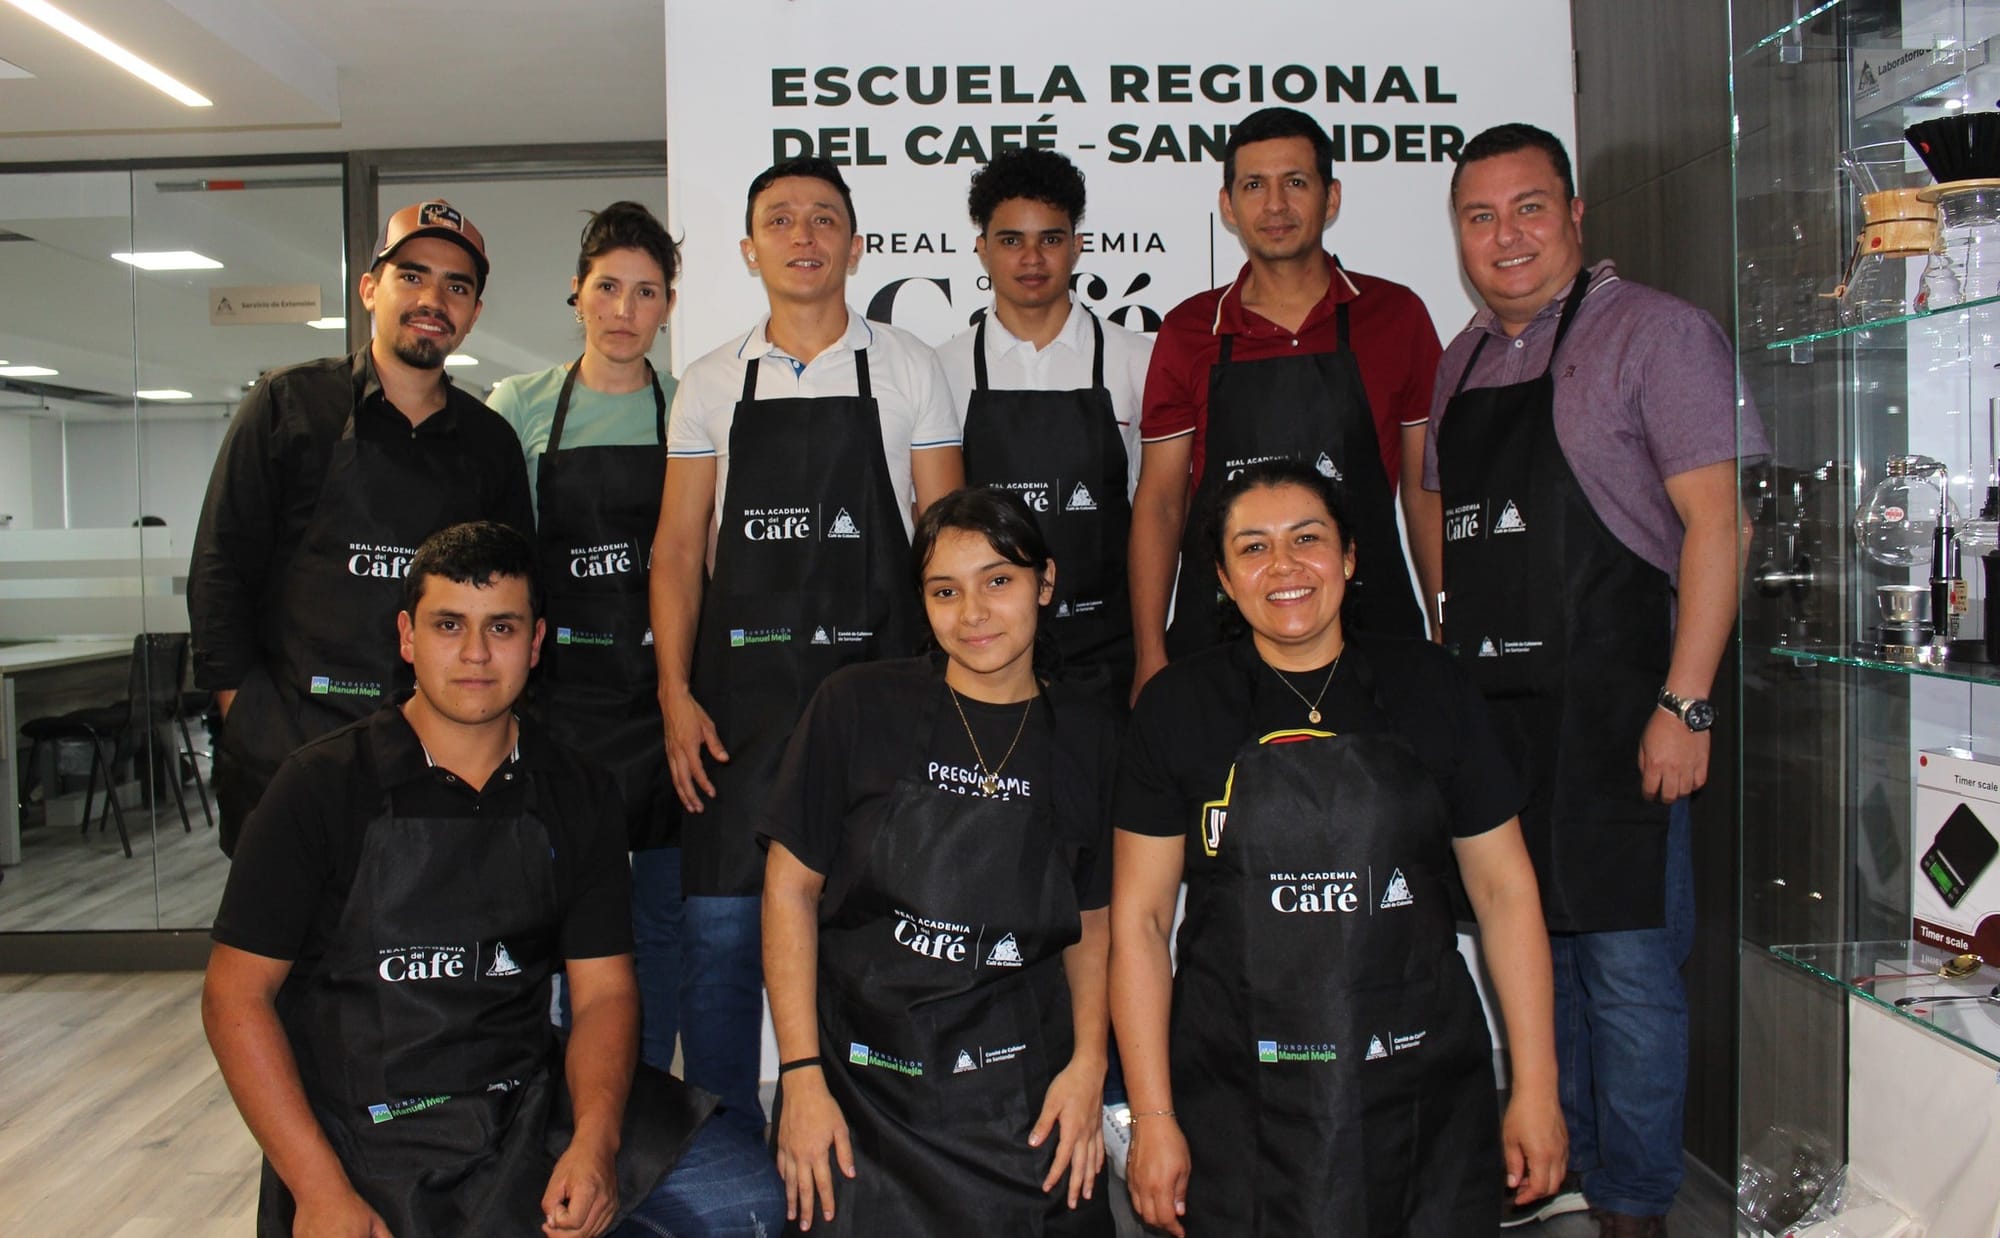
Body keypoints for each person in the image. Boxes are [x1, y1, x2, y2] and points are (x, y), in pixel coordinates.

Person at [201, 521, 783, 1238]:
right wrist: (319, 1190)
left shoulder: (576, 789)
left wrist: (594, 1147)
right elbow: (235, 997)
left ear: (535, 644)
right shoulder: (319, 787)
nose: (476, 654)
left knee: (745, 1202)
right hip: (371, 1129)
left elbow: (602, 994)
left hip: (524, 1107)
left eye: (501, 627)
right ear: (408, 638)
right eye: (449, 625)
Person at [1422, 124, 1766, 1237]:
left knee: (1622, 967)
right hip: (1495, 720)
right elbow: (1445, 528)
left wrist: (1687, 700)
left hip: (1625, 711)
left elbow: (1718, 526)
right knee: (1530, 954)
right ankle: (1551, 1166)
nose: (1503, 235)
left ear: (1574, 216)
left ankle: (1631, 1203)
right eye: (1479, 216)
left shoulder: (1655, 334)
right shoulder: (1461, 357)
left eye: (1527, 208)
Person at [1111, 460, 1565, 1236]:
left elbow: (1504, 891)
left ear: (1352, 558)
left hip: (1420, 1087)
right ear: (1221, 577)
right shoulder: (1178, 708)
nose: (1283, 567)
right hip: (1239, 1093)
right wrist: (1153, 1115)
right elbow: (1142, 924)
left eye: (1307, 539)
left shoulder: (1432, 686)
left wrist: (1537, 1086)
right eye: (1252, 548)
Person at [652, 156, 964, 1138]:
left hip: (878, 704)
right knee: (716, 941)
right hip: (736, 711)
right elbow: (674, 547)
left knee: (879, 938)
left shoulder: (910, 367)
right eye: (778, 219)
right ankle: (718, 1161)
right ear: (748, 250)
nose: (802, 233)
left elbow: (946, 534)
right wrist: (671, 689)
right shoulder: (707, 382)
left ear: (854, 244)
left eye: (822, 217)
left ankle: (882, 1154)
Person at [761, 487, 1115, 1236]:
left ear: (1045, 584)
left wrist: (1088, 1069)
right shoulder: (856, 706)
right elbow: (789, 893)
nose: (974, 613)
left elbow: (1093, 920)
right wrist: (800, 1078)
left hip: (1022, 1103)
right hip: (862, 1100)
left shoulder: (1089, 733)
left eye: (999, 581)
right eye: (945, 591)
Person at [189, 199, 533, 855]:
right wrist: (249, 719)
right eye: (413, 275)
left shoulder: (489, 442)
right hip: (292, 746)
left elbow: (514, 595)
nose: (434, 297)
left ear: (473, 315)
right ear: (370, 288)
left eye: (457, 286)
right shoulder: (287, 405)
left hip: (437, 754)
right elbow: (220, 570)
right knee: (287, 950)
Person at [1128, 107, 1444, 704]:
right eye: (1254, 186)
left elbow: (1426, 489)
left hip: (1371, 629)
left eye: (1295, 182)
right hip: (1219, 638)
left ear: (1331, 199)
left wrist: (1442, 617)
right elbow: (1162, 501)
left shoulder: (1396, 315)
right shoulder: (1189, 329)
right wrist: (1151, 651)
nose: (1275, 205)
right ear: (1228, 205)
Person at [489, 201, 684, 1075]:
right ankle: (569, 1104)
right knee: (565, 914)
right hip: (561, 707)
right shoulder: (520, 407)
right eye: (608, 287)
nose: (623, 310)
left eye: (646, 293)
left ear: (668, 307)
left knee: (664, 922)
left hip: (664, 707)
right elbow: (498, 569)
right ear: (577, 294)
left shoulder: (688, 410)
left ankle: (650, 1107)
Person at [937, 149, 1152, 709]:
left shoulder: (1136, 360)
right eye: (1010, 240)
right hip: (983, 652)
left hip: (1110, 652)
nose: (1031, 258)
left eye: (1050, 239)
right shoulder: (943, 369)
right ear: (981, 248)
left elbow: (1157, 511)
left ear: (1078, 244)